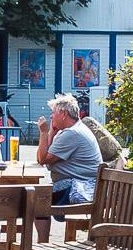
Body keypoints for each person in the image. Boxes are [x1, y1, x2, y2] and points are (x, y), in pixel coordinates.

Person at [35, 94, 103, 241]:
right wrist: (52, 131)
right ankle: (42, 244)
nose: (51, 117)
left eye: (53, 113)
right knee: (39, 195)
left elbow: (42, 158)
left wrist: (43, 133)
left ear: (64, 114)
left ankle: (42, 245)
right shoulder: (75, 129)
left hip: (80, 186)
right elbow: (48, 153)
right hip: (83, 182)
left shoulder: (72, 134)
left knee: (36, 198)